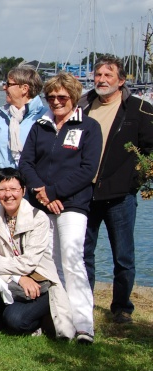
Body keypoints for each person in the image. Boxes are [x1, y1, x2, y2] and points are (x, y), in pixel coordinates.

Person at [18, 72, 101, 344]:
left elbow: (88, 169)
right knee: (49, 265)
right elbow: (26, 164)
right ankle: (61, 324)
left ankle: (84, 325)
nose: (56, 101)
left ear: (74, 97)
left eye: (62, 97)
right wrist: (42, 194)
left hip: (73, 204)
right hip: (41, 205)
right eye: (51, 97)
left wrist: (53, 192)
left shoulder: (88, 127)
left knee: (72, 259)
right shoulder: (39, 126)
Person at [78, 56, 153, 324]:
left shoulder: (139, 110)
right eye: (98, 74)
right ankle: (84, 302)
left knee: (123, 255)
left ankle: (122, 308)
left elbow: (149, 150)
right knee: (84, 253)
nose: (101, 79)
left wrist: (136, 178)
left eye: (108, 75)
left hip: (121, 196)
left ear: (121, 80)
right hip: (86, 193)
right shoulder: (83, 106)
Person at [0, 168, 75, 338]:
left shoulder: (38, 218)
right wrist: (18, 278)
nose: (8, 195)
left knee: (15, 320)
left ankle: (36, 319)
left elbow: (28, 262)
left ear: (23, 191)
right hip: (14, 280)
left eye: (14, 189)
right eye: (2, 190)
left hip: (39, 282)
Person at [0, 66, 46, 208]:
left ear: (24, 88)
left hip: (31, 194)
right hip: (0, 195)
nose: (4, 88)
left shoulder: (44, 116)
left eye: (8, 84)